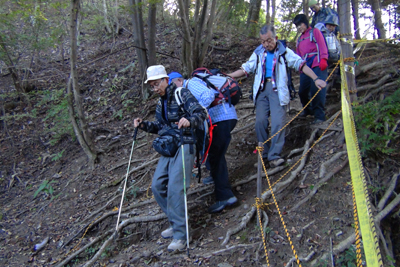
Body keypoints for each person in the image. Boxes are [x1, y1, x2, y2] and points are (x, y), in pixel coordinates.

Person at [227, 25, 326, 167]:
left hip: (277, 90)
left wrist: (316, 78)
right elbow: (246, 69)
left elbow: (300, 64)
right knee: (260, 122)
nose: (266, 44)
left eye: (269, 40)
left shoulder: (284, 52)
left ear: (276, 38)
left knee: (278, 123)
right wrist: (230, 76)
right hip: (261, 90)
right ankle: (264, 155)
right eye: (263, 41)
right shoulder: (258, 53)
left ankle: (274, 155)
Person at [133, 65, 207, 251]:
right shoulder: (161, 102)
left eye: (157, 83)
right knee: (157, 186)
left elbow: (201, 113)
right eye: (152, 85)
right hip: (169, 146)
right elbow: (160, 126)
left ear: (166, 80)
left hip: (185, 142)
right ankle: (176, 222)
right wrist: (144, 126)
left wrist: (189, 120)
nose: (155, 88)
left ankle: (181, 236)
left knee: (175, 187)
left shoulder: (181, 93)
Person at [168, 72, 239, 213]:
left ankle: (226, 196)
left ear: (180, 81)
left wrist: (195, 113)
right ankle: (215, 178)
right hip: (221, 118)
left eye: (173, 85)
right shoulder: (187, 88)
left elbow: (208, 95)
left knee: (215, 157)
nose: (173, 89)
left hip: (222, 118)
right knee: (212, 153)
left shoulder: (191, 84)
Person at [294, 14, 329, 124]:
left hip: (317, 63)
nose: (299, 27)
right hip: (306, 66)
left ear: (305, 23)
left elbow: (322, 45)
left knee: (317, 90)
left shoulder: (315, 32)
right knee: (302, 91)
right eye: (297, 25)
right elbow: (298, 54)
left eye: (301, 24)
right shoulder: (299, 39)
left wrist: (324, 58)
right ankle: (308, 110)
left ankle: (320, 116)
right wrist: (299, 67)